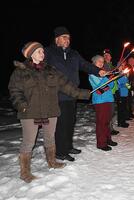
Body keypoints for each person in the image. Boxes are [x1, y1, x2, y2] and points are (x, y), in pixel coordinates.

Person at [8, 42, 90, 183]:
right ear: (31, 54)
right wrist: (22, 106)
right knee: (28, 142)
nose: (43, 53)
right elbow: (14, 91)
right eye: (39, 51)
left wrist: (86, 94)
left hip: (50, 110)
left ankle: (52, 162)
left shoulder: (51, 70)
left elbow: (67, 87)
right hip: (30, 112)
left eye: (42, 51)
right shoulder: (20, 71)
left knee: (50, 138)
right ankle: (25, 172)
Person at [45, 26, 106, 161]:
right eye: (64, 37)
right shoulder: (49, 52)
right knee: (61, 123)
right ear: (57, 39)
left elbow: (85, 65)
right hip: (57, 94)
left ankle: (68, 146)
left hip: (73, 93)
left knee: (70, 121)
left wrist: (97, 71)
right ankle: (60, 151)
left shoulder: (74, 54)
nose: (67, 40)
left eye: (69, 38)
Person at [89, 55, 118, 151]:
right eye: (99, 61)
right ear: (94, 63)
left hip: (109, 99)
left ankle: (108, 139)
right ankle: (101, 143)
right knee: (101, 122)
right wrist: (106, 78)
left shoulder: (103, 73)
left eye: (102, 61)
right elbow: (99, 88)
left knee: (107, 121)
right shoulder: (92, 74)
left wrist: (108, 79)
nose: (101, 63)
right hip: (100, 101)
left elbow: (112, 84)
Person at [103, 49, 119, 136]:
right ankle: (109, 129)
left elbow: (117, 74)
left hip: (113, 90)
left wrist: (119, 71)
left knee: (112, 111)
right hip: (108, 91)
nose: (106, 56)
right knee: (109, 111)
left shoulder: (112, 66)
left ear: (111, 57)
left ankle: (110, 127)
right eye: (104, 55)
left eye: (108, 55)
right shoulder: (103, 66)